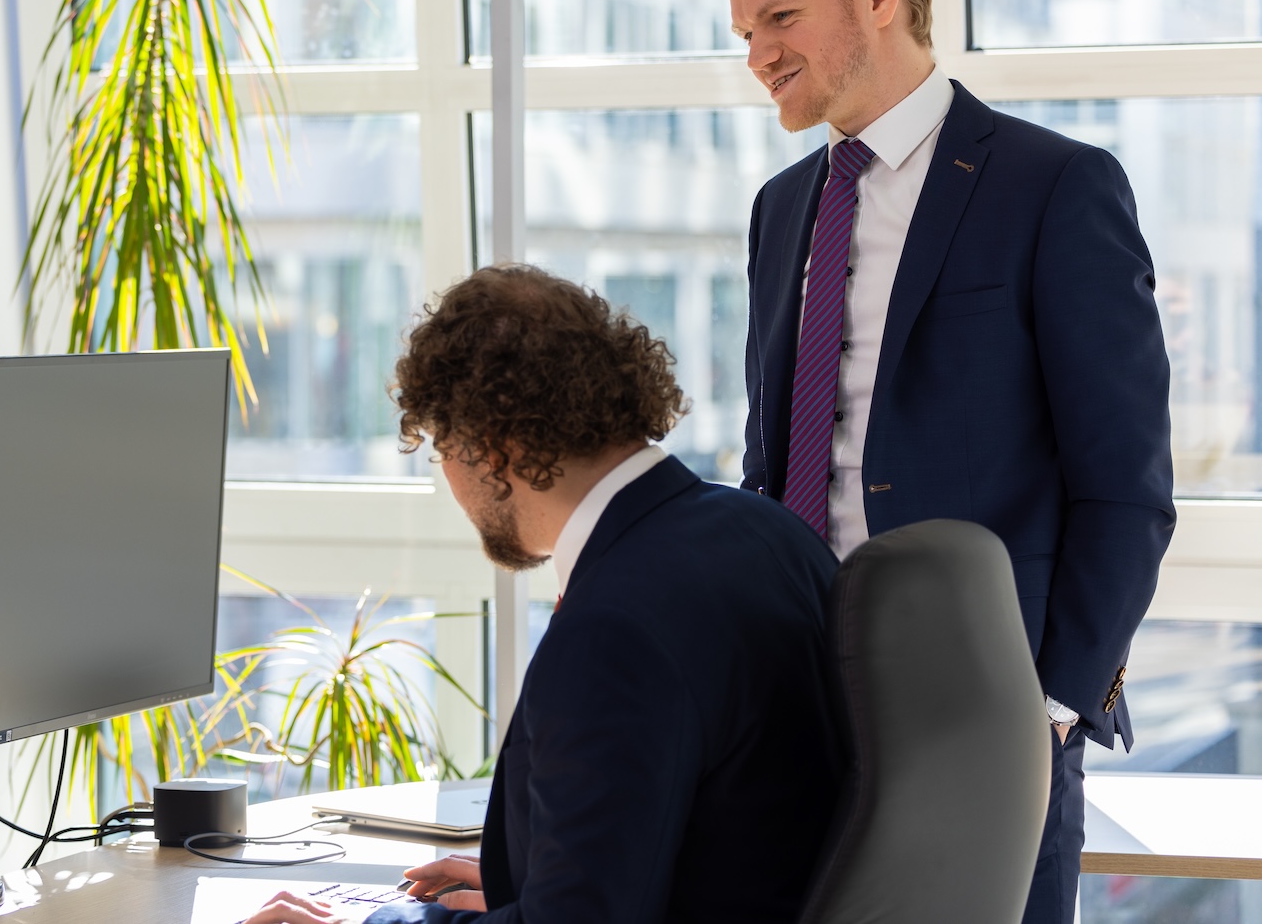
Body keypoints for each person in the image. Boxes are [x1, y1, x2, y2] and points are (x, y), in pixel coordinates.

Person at [723, 0, 1176, 924]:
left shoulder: (1053, 187)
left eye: (779, 17)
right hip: (795, 702)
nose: (756, 53)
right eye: (745, 30)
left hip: (985, 716)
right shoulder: (779, 207)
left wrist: (1048, 706)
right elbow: (770, 466)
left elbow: (1124, 488)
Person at [252, 264, 844, 924]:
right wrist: (538, 874)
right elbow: (733, 832)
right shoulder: (771, 534)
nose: (447, 475)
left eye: (441, 446)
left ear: (493, 448)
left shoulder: (612, 630)